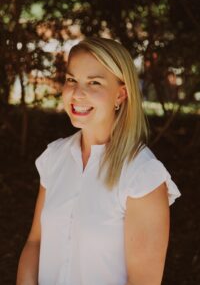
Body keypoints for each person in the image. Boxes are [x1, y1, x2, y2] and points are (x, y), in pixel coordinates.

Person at [16, 37, 181, 285]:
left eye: (94, 83)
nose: (77, 93)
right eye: (72, 80)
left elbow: (143, 280)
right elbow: (35, 243)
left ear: (120, 94)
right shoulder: (54, 158)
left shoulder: (142, 175)